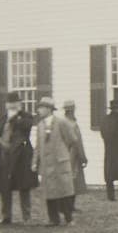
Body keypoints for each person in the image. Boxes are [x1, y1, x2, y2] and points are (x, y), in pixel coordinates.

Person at [31, 96, 77, 226]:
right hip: (46, 164)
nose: (39, 110)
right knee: (49, 191)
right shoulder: (40, 125)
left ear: (48, 109)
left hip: (60, 162)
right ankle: (53, 219)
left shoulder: (61, 122)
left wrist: (62, 151)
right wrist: (35, 162)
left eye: (41, 108)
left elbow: (72, 139)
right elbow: (38, 145)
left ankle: (69, 218)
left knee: (64, 190)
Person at [0, 91, 36, 224]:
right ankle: (6, 216)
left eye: (15, 103)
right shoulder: (2, 118)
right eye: (10, 103)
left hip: (21, 157)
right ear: (6, 104)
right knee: (5, 188)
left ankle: (27, 217)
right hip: (4, 157)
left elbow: (26, 125)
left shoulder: (26, 117)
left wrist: (15, 117)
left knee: (24, 187)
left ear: (19, 104)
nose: (12, 105)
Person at [61, 100, 88, 207]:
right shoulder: (72, 124)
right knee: (73, 180)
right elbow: (78, 143)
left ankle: (67, 205)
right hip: (73, 155)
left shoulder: (61, 123)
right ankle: (69, 206)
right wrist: (83, 158)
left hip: (63, 155)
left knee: (67, 180)